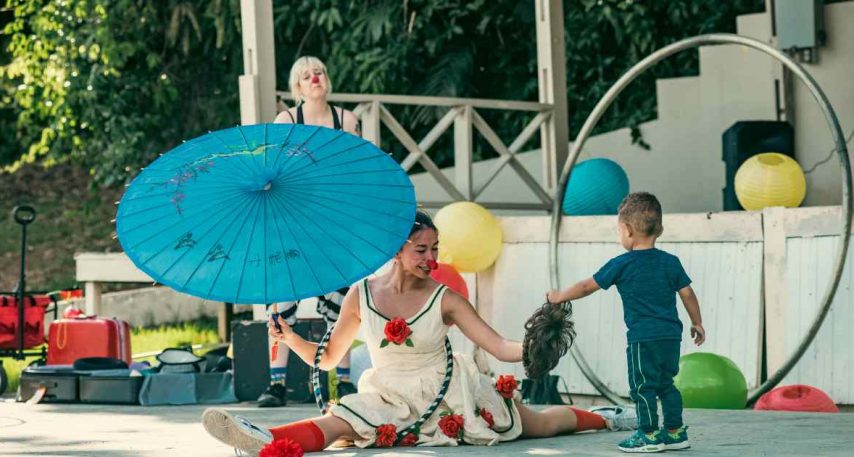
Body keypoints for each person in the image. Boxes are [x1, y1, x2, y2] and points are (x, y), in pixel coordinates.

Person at [203, 212, 624, 454]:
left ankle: (606, 419)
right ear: (397, 251)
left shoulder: (445, 298)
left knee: (537, 425)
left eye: (435, 249)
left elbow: (497, 345)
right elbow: (329, 358)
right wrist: (291, 338)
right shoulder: (360, 294)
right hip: (387, 393)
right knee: (342, 421)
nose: (432, 259)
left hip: (446, 393)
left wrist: (533, 347)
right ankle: (262, 439)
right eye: (422, 250)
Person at [546, 192, 706, 453]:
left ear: (628, 231)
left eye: (619, 230)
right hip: (671, 337)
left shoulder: (621, 264)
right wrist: (697, 322)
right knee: (666, 385)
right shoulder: (670, 262)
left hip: (643, 339)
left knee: (643, 387)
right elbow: (687, 293)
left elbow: (587, 286)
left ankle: (649, 435)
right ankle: (676, 433)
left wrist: (559, 296)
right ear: (660, 229)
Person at [255, 55, 360, 408]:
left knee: (343, 300)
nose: (314, 78)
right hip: (294, 221)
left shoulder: (347, 120)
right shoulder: (286, 120)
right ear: (297, 87)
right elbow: (277, 171)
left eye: (319, 72)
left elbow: (355, 173)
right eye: (305, 75)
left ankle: (343, 382)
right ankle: (277, 385)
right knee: (281, 302)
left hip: (335, 223)